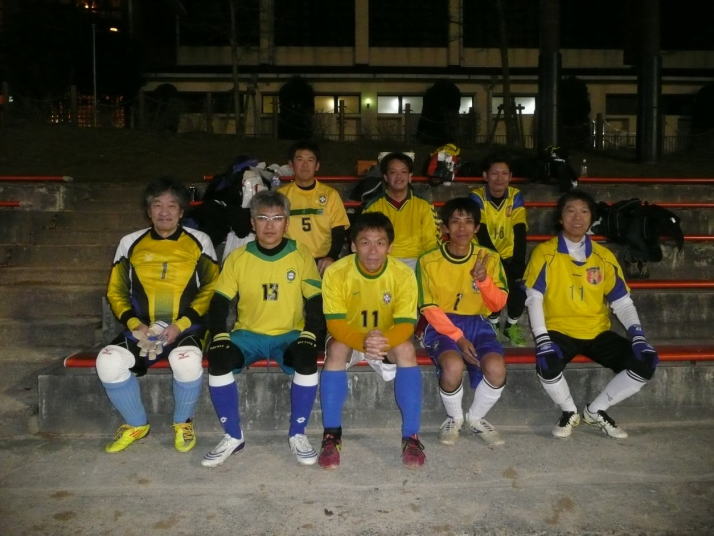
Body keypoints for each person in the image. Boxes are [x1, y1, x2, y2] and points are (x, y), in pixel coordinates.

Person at [524, 189, 659, 439]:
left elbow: (622, 301)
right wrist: (542, 338)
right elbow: (534, 298)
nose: (577, 217)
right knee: (547, 362)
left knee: (646, 361)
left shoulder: (604, 256)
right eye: (571, 211)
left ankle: (595, 410)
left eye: (584, 211)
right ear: (560, 218)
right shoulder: (544, 253)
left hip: (597, 332)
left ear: (591, 218)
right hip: (559, 330)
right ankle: (568, 411)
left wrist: (637, 334)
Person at [201, 190, 323, 467]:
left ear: (287, 222)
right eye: (263, 218)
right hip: (248, 335)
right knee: (219, 357)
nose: (270, 225)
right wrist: (219, 334)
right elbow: (219, 301)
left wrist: (311, 333)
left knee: (306, 357)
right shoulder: (238, 257)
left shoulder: (301, 254)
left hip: (288, 334)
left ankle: (298, 434)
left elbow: (316, 300)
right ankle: (233, 436)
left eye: (277, 218)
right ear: (252, 223)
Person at [97, 177, 219, 453]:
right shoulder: (130, 242)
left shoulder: (199, 241)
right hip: (142, 329)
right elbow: (116, 291)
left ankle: (182, 422)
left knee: (186, 361)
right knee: (108, 361)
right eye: (157, 205)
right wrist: (135, 325)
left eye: (171, 205)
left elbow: (211, 287)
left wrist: (180, 324)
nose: (164, 212)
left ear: (181, 211)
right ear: (148, 210)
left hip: (187, 329)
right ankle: (137, 424)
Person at [318, 212, 425, 469]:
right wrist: (364, 342)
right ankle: (331, 435)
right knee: (336, 349)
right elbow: (335, 324)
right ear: (354, 245)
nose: (373, 250)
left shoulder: (403, 274)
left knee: (407, 349)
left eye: (380, 243)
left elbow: (406, 324)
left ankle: (411, 436)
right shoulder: (337, 272)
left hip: (386, 338)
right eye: (365, 242)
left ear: (390, 246)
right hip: (349, 336)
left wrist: (381, 340)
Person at [417, 197, 509, 446]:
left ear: (477, 228)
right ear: (445, 227)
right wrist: (458, 338)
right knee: (453, 365)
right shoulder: (427, 261)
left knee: (496, 368)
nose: (462, 227)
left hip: (477, 322)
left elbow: (498, 304)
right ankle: (454, 418)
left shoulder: (489, 257)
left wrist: (484, 280)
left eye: (468, 222)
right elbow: (428, 307)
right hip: (441, 324)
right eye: (455, 221)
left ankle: (476, 419)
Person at [469, 154, 528, 346]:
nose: (499, 178)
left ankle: (511, 325)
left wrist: (519, 260)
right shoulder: (477, 196)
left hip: (509, 253)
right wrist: (498, 262)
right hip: (485, 254)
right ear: (485, 175)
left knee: (520, 284)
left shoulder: (515, 195)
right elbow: (482, 232)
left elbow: (520, 228)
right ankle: (492, 322)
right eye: (494, 173)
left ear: (510, 176)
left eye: (504, 173)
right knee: (492, 283)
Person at [278, 141, 350, 276]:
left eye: (310, 160)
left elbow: (339, 231)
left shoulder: (330, 194)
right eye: (300, 160)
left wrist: (331, 257)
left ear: (317, 166)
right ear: (291, 164)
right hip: (290, 261)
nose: (305, 165)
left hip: (322, 263)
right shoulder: (281, 196)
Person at [362, 152, 440, 270]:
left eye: (403, 172)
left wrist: (428, 265)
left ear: (410, 176)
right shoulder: (373, 207)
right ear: (386, 177)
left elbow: (431, 242)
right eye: (393, 172)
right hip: (384, 260)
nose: (399, 177)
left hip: (416, 260)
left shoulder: (423, 205)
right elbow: (365, 238)